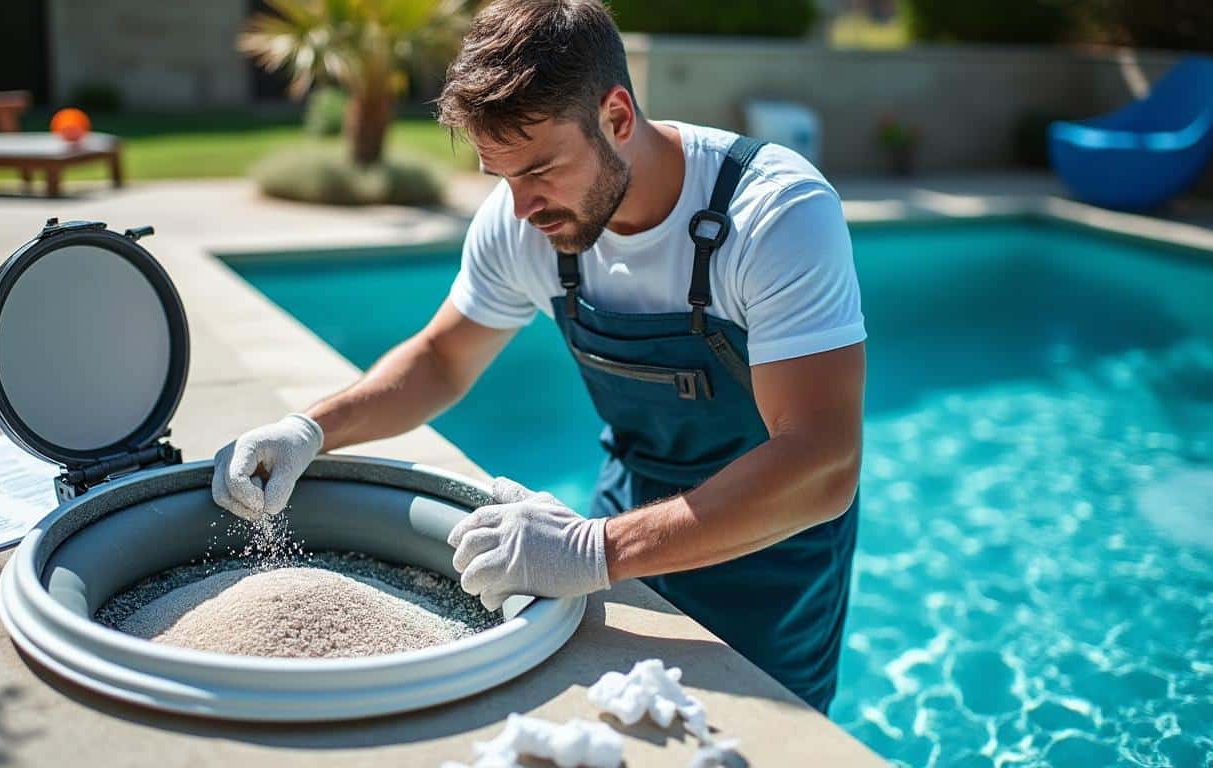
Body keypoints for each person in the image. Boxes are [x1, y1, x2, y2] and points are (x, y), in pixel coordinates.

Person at [211, 0, 865, 714]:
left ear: (617, 117)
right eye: (501, 177)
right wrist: (309, 431)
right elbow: (440, 360)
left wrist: (594, 552)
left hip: (773, 556)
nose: (521, 209)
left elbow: (821, 461)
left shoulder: (774, 213)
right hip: (625, 510)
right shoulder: (528, 218)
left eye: (541, 171)